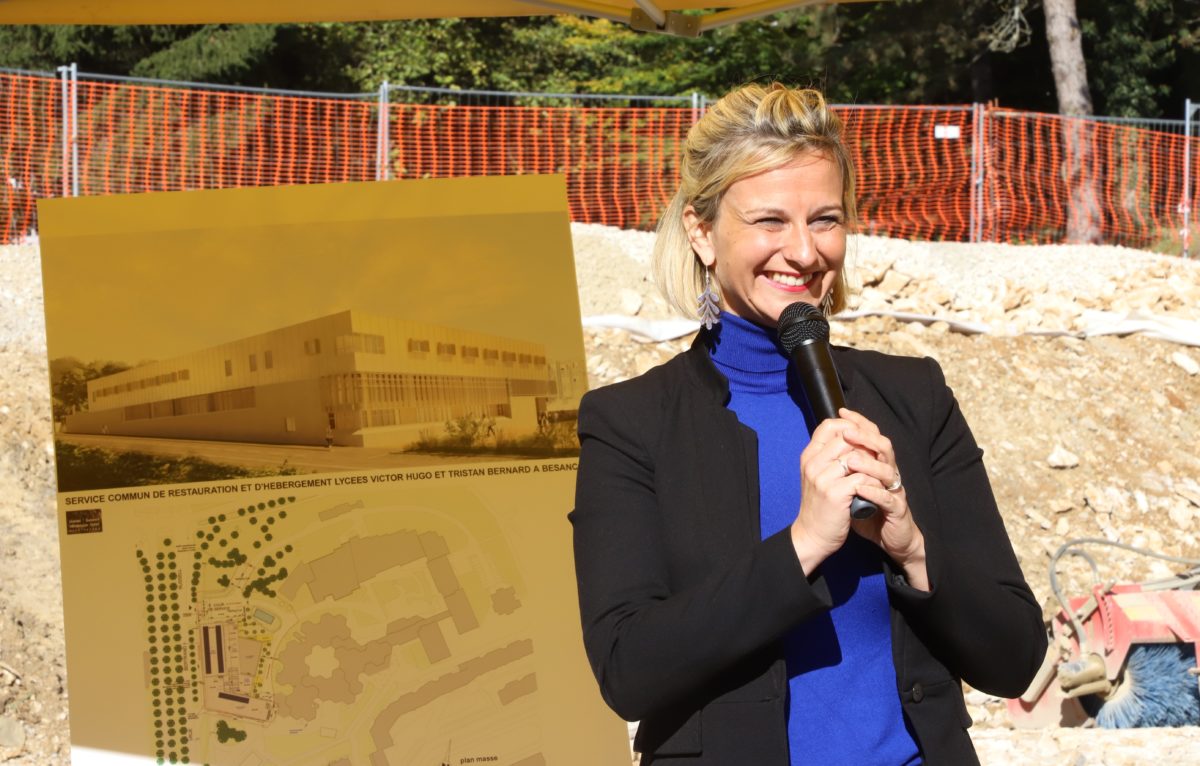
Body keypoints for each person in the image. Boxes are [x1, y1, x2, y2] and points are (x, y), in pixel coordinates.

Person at [569, 83, 1047, 766]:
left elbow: (1015, 658)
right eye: (769, 221)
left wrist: (911, 549)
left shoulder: (915, 397)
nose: (803, 252)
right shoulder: (631, 425)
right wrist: (800, 546)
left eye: (825, 219)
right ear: (702, 232)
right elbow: (627, 670)